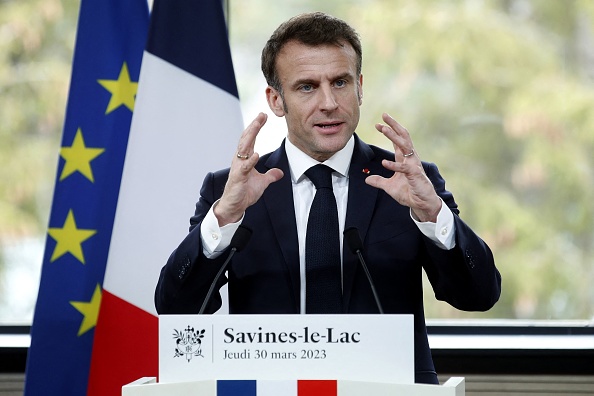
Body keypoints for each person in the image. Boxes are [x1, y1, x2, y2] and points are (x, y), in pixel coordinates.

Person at [155, 12, 501, 384]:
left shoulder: (408, 182)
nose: (329, 103)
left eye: (340, 82)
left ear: (360, 88)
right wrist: (224, 217)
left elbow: (478, 295)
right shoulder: (232, 192)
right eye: (306, 87)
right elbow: (177, 310)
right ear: (276, 99)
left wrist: (434, 214)